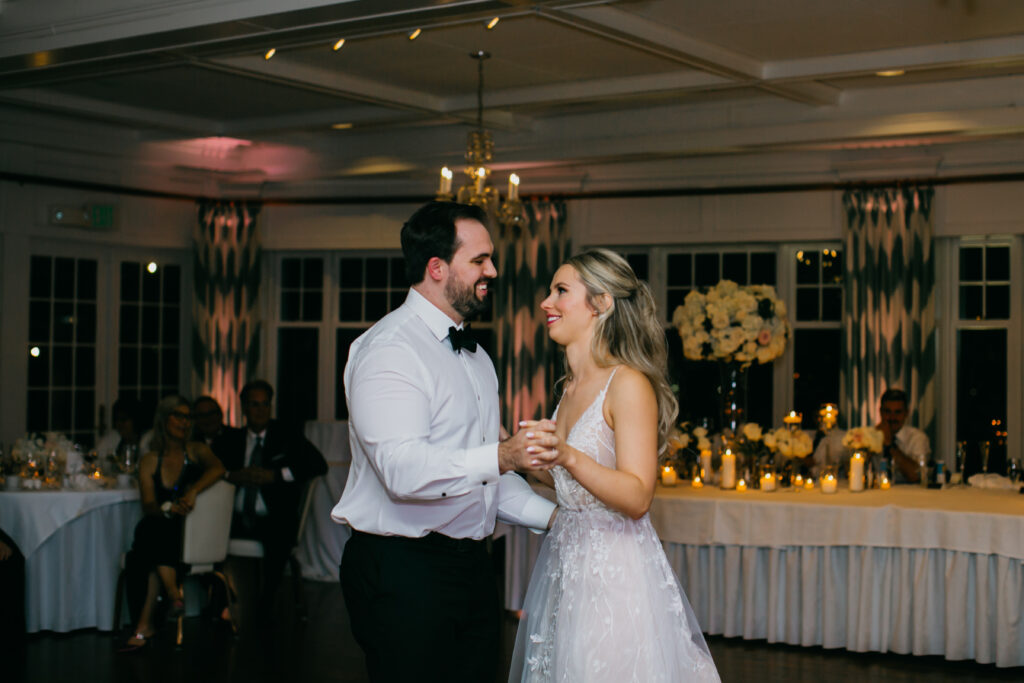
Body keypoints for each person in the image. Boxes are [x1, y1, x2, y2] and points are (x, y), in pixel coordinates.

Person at [332, 201, 559, 683]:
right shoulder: (389, 350)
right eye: (479, 260)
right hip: (403, 570)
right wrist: (503, 454)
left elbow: (484, 482)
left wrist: (558, 520)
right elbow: (403, 472)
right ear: (436, 268)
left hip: (472, 569)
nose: (492, 271)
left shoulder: (477, 360)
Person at [509, 249, 720, 682]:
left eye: (561, 291)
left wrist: (566, 454)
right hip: (568, 566)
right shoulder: (568, 388)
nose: (546, 303)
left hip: (616, 577)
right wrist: (527, 460)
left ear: (601, 304)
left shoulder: (627, 383)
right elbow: (577, 485)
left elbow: (637, 496)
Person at [121, 395, 225, 651]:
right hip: (163, 527)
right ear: (163, 420)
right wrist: (167, 509)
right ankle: (170, 598)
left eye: (187, 417)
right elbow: (148, 504)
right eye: (178, 415)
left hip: (189, 532)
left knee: (146, 539)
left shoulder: (197, 451)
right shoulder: (149, 460)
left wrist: (192, 492)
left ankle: (151, 619)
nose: (184, 422)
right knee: (153, 529)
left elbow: (218, 469)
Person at [219, 380, 327, 610]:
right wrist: (233, 475)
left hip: (274, 517)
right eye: (254, 404)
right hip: (233, 517)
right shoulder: (231, 439)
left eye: (265, 404)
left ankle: (265, 603)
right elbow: (213, 470)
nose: (260, 410)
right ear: (244, 408)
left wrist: (276, 475)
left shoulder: (286, 435)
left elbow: (318, 465)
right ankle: (218, 601)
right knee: (206, 527)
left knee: (278, 533)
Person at [877, 388, 930, 483]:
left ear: (906, 413)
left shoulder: (917, 438)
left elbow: (917, 476)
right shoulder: (870, 436)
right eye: (888, 412)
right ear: (880, 412)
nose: (892, 417)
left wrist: (890, 445)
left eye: (897, 412)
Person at [96, 397, 153, 462]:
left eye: (123, 420)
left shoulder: (147, 442)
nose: (119, 424)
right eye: (117, 420)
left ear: (135, 420)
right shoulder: (113, 439)